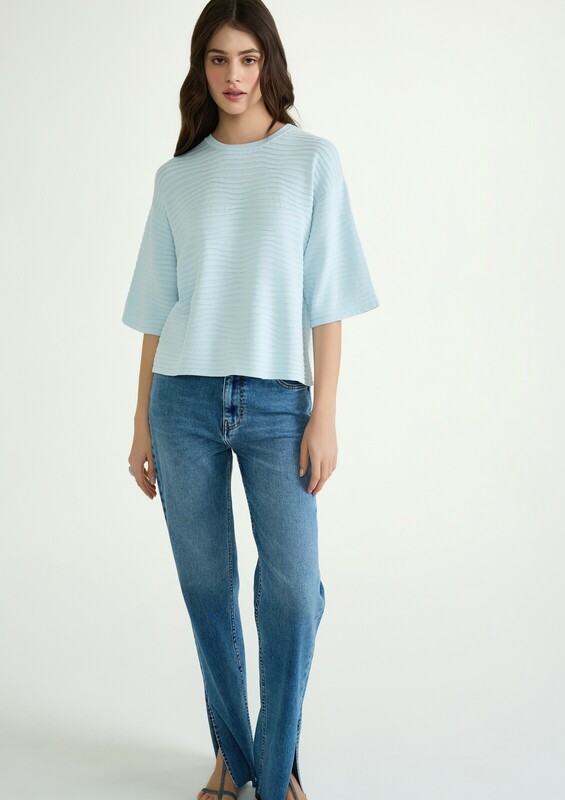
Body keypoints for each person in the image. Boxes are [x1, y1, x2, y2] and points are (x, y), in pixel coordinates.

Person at [122, 2, 379, 799]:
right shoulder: (178, 177)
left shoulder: (311, 161)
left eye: (247, 58)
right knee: (208, 593)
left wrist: (324, 413)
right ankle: (236, 760)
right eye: (217, 59)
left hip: (278, 405)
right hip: (182, 403)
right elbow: (157, 311)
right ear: (200, 69)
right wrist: (139, 424)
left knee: (293, 594)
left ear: (269, 62)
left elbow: (328, 302)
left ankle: (269, 767)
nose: (233, 75)